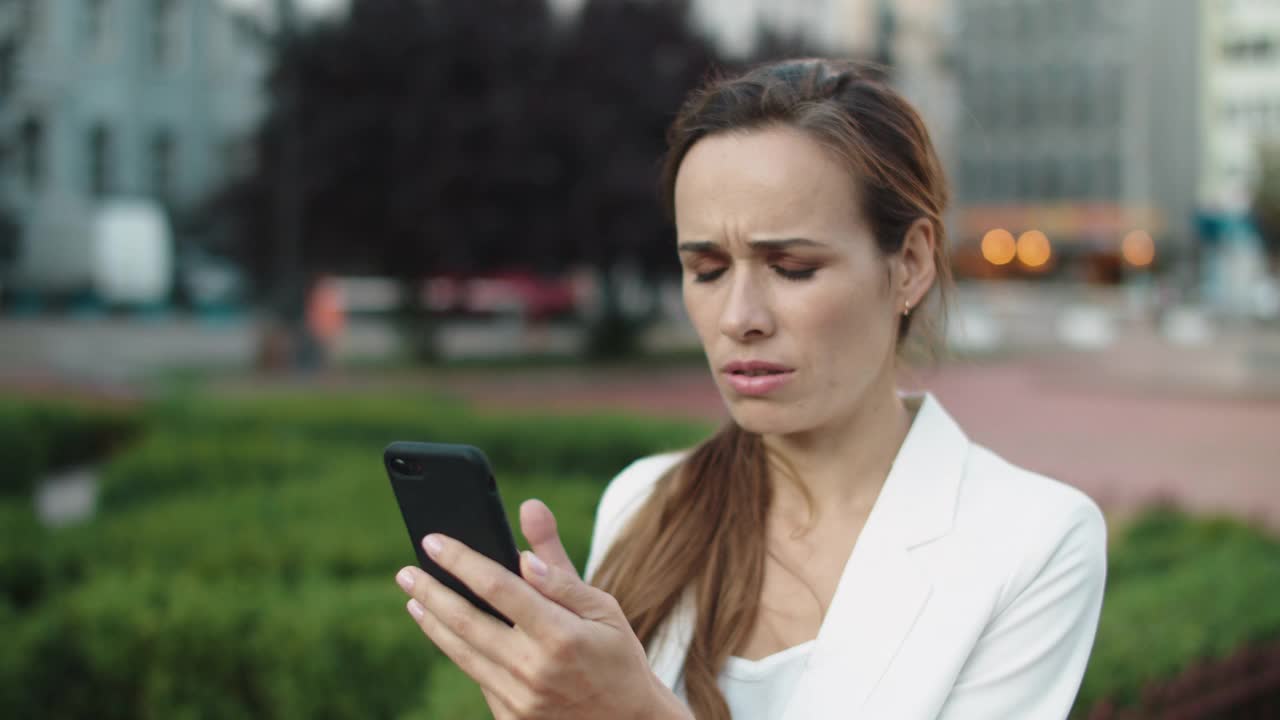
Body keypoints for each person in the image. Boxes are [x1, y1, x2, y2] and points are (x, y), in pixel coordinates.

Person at [393, 59, 1107, 719]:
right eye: (706, 270)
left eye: (792, 266)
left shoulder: (1033, 539)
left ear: (912, 263)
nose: (739, 319)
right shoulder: (647, 500)